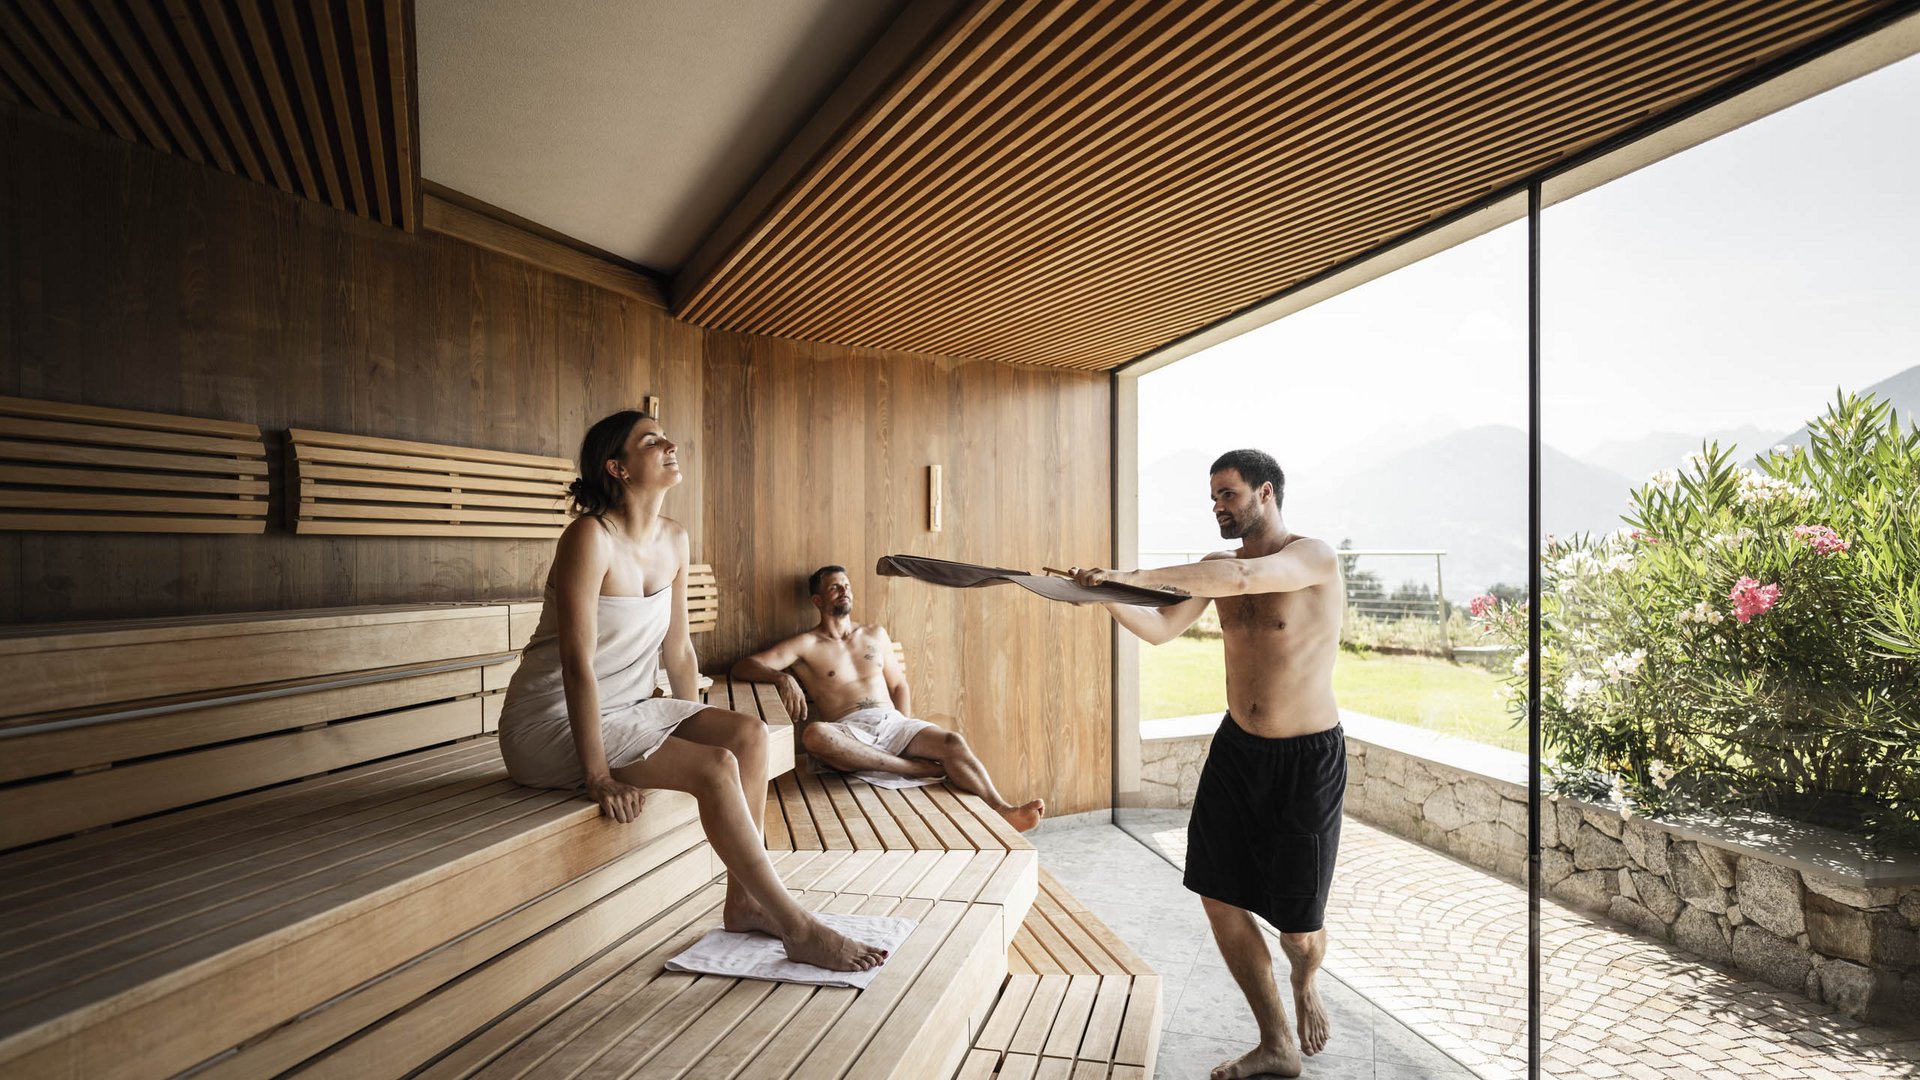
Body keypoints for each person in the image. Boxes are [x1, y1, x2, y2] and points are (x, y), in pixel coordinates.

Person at [497, 410, 886, 972]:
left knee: (749, 736)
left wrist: (688, 717)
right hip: (552, 720)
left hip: (630, 708)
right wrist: (598, 773)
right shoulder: (590, 538)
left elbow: (679, 651)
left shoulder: (674, 539)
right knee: (713, 770)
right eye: (651, 441)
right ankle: (797, 926)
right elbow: (576, 664)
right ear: (618, 468)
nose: (670, 443)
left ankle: (746, 901)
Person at [1069, 448, 1344, 1080]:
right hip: (1238, 749)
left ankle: (1306, 980)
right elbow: (1162, 628)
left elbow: (1246, 582)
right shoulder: (1214, 567)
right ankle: (1276, 1043)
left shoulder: (1312, 557)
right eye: (1214, 496)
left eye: (1228, 494)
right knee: (1217, 894)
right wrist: (1106, 597)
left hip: (1306, 760)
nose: (1217, 506)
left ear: (1265, 493)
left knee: (1298, 931)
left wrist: (1124, 573)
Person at [730, 565, 1046, 832]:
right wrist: (782, 677)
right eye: (834, 587)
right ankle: (909, 769)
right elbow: (743, 666)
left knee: (952, 742)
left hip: (893, 723)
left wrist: (905, 723)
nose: (844, 591)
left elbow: (899, 686)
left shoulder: (875, 634)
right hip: (850, 731)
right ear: (817, 600)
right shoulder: (806, 644)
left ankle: (1003, 810)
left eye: (847, 585)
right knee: (814, 734)